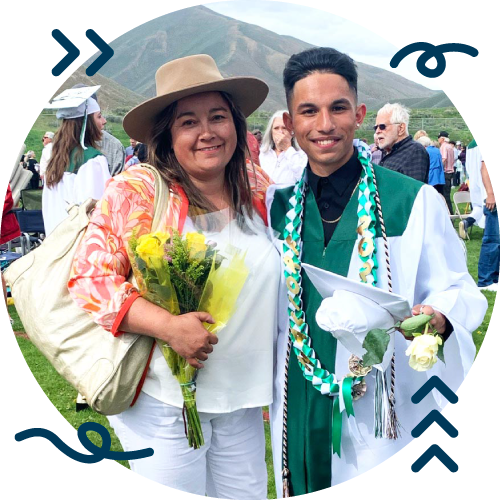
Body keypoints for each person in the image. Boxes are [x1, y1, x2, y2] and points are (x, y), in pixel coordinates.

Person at [267, 46, 488, 499]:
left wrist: (440, 315)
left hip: (375, 396)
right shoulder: (277, 207)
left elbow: (456, 287)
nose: (324, 125)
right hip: (297, 394)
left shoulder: (410, 202)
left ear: (360, 114)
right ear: (289, 124)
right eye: (308, 111)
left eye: (338, 108)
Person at [68, 54, 279, 498]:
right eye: (189, 122)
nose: (207, 132)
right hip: (165, 401)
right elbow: (90, 277)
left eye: (218, 117)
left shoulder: (256, 186)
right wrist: (168, 327)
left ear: (237, 126)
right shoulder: (139, 190)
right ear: (167, 135)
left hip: (242, 398)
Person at [42, 87, 111, 237]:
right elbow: (99, 212)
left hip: (55, 244)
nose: (104, 121)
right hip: (80, 249)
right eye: (99, 116)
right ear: (87, 123)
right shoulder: (92, 160)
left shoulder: (52, 156)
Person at [375, 103, 430, 183]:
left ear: (401, 128)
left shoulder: (414, 151)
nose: (377, 131)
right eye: (376, 127)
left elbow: (412, 191)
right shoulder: (388, 151)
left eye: (382, 127)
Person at [259, 109, 307, 184]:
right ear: (271, 132)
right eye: (276, 128)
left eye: (284, 128)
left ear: (292, 131)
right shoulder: (262, 154)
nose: (280, 132)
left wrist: (287, 149)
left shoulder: (302, 154)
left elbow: (304, 177)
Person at [438, 131, 455, 213]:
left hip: (445, 172)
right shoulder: (450, 147)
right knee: (447, 194)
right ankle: (450, 213)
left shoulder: (443, 147)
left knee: (444, 196)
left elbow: (444, 158)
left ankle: (449, 214)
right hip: (450, 172)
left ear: (442, 138)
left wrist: (439, 167)